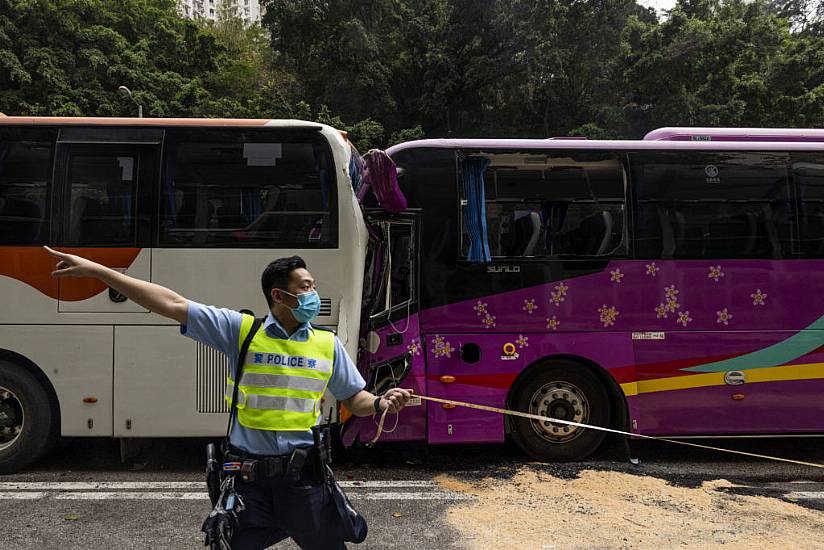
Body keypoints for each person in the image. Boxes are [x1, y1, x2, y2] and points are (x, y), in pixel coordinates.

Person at [44, 247, 412, 550]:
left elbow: (355, 397)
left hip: (304, 482)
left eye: (312, 285)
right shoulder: (243, 331)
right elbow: (170, 303)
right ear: (279, 296)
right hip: (248, 482)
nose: (313, 294)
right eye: (305, 287)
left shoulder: (327, 344)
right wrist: (99, 271)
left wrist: (380, 402)